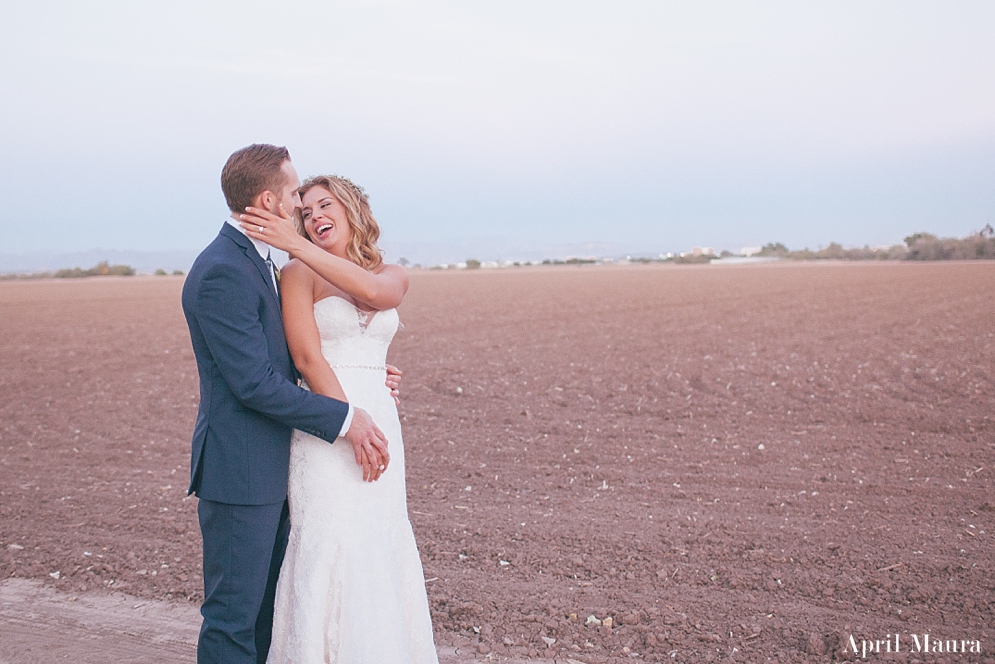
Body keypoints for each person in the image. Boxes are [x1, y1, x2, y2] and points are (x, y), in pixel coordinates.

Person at [181, 144, 399, 664]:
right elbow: (254, 382)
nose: (301, 204)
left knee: (264, 619)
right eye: (295, 195)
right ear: (268, 201)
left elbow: (290, 356)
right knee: (232, 620)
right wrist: (346, 416)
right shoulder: (222, 270)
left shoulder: (259, 263)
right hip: (240, 471)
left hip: (279, 464)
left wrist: (368, 370)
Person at [238, 175, 438, 663]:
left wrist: (375, 389)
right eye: (304, 213)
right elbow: (307, 359)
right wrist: (349, 422)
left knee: (381, 539)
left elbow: (374, 292)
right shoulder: (298, 274)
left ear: (351, 209)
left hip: (384, 425)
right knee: (330, 540)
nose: (313, 217)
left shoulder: (392, 273)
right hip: (327, 428)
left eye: (324, 205)